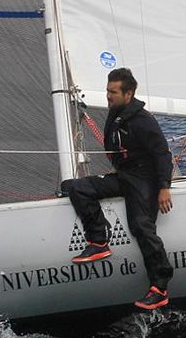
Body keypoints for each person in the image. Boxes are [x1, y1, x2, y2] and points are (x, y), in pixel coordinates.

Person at [61, 67, 174, 310]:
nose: (108, 96)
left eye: (113, 92)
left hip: (144, 179)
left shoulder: (143, 121)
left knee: (141, 227)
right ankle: (99, 241)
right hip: (125, 175)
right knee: (76, 188)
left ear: (129, 94)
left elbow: (163, 155)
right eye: (107, 91)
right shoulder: (116, 113)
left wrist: (164, 187)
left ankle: (160, 287)